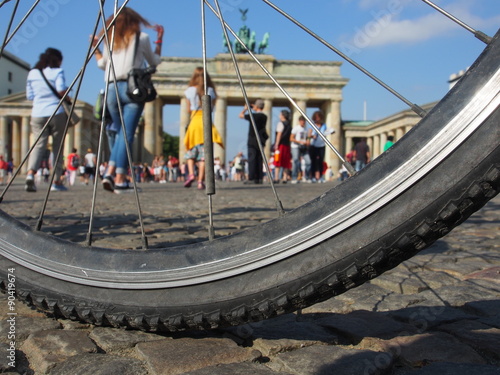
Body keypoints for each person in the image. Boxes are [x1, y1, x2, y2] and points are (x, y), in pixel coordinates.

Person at [92, 7, 163, 194]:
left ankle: (110, 173)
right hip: (132, 90)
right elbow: (154, 61)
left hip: (110, 91)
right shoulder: (142, 38)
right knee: (126, 135)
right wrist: (160, 40)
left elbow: (102, 64)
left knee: (120, 135)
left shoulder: (110, 40)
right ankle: (120, 179)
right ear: (135, 21)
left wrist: (96, 49)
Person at [25, 47, 70, 192]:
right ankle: (56, 181)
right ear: (57, 60)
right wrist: (67, 96)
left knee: (38, 145)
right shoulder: (57, 72)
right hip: (56, 111)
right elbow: (61, 90)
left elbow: (29, 96)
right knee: (57, 147)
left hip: (37, 112)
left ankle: (30, 174)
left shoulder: (32, 73)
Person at [183, 67, 224, 189]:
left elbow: (188, 109)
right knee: (204, 155)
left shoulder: (189, 90)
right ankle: (200, 181)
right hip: (205, 122)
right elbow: (212, 108)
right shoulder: (211, 90)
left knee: (190, 152)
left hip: (195, 122)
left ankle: (190, 174)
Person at [239, 99, 268, 184]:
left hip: (252, 140)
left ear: (257, 106)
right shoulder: (264, 116)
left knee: (252, 159)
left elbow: (240, 115)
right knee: (259, 159)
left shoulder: (253, 116)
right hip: (261, 140)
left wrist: (246, 108)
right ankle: (259, 178)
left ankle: (251, 177)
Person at [290, 115, 311, 184]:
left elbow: (307, 138)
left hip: (304, 147)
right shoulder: (296, 128)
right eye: (302, 121)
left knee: (308, 162)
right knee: (296, 161)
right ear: (299, 121)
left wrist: (308, 140)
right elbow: (291, 138)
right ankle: (294, 177)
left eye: (304, 121)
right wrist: (300, 142)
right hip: (295, 147)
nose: (303, 123)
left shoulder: (306, 129)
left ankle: (306, 177)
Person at [272, 109, 292, 183]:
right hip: (287, 145)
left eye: (280, 114)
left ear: (283, 116)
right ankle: (285, 178)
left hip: (281, 145)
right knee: (286, 162)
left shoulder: (280, 124)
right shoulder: (289, 125)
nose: (279, 116)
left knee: (278, 161)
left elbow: (279, 134)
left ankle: (276, 178)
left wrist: (276, 144)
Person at [308, 110, 327, 183]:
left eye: (318, 117)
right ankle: (312, 176)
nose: (317, 119)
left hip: (321, 145)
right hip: (313, 145)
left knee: (321, 161)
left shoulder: (324, 125)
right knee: (313, 161)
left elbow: (326, 132)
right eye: (316, 117)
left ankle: (321, 176)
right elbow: (309, 135)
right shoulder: (312, 125)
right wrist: (313, 136)